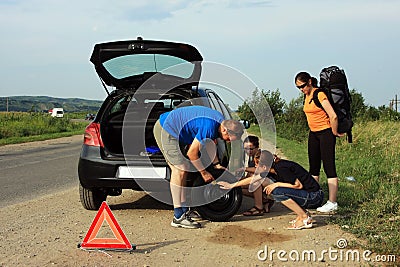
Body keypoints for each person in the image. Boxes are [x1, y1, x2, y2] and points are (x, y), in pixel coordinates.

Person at [153, 105, 244, 229]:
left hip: (175, 129)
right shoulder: (209, 126)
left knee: (185, 168)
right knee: (179, 169)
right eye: (229, 139)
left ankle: (184, 209)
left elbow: (210, 143)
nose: (229, 141)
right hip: (166, 128)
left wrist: (216, 164)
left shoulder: (220, 123)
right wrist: (204, 173)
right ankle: (178, 216)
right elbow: (192, 153)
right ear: (225, 131)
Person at [218, 150, 324, 230]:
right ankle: (302, 214)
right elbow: (254, 179)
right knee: (268, 184)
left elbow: (298, 185)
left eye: (256, 165)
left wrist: (276, 184)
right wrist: (232, 185)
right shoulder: (271, 167)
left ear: (264, 167)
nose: (255, 168)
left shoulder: (281, 168)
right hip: (307, 194)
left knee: (277, 191)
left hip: (314, 196)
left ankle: (304, 217)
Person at [294, 72, 343, 213]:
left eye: (302, 86)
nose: (301, 89)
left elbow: (333, 116)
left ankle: (332, 202)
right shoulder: (306, 96)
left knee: (329, 167)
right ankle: (313, 197)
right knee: (314, 167)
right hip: (314, 134)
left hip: (326, 133)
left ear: (309, 81)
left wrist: (334, 133)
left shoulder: (319, 94)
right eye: (298, 87)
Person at [236, 136, 274, 215]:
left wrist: (243, 169)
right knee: (239, 189)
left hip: (271, 182)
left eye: (251, 149)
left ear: (257, 147)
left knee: (253, 181)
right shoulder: (251, 157)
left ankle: (259, 207)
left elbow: (260, 171)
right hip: (264, 183)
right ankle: (265, 200)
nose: (248, 151)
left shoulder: (261, 156)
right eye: (246, 149)